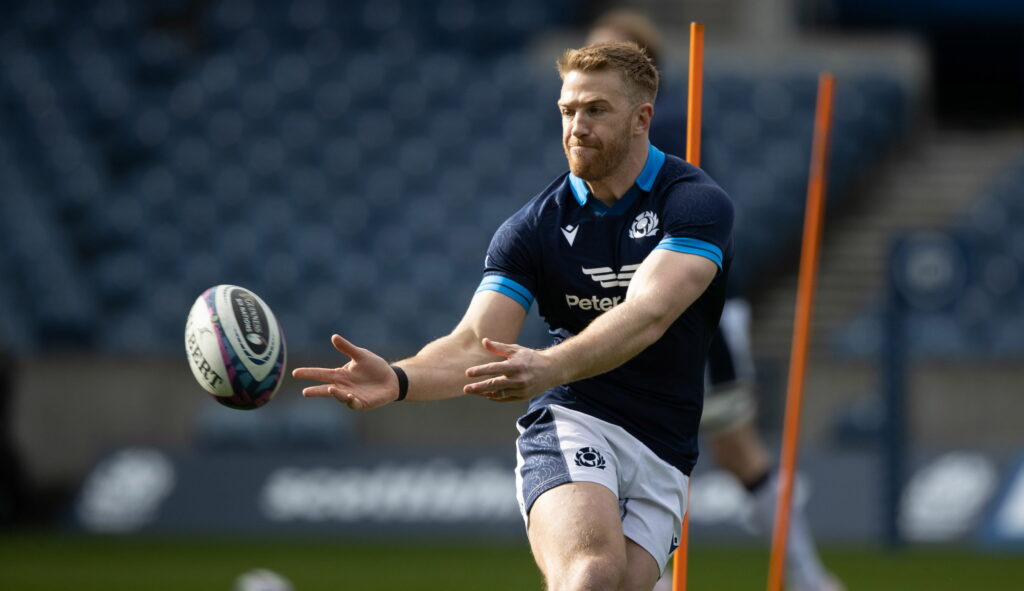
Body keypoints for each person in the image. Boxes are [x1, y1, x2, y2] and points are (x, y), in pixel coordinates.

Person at [294, 41, 733, 591]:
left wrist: (547, 364)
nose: (577, 127)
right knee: (592, 572)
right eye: (568, 111)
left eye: (596, 110)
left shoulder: (695, 204)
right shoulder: (532, 228)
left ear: (642, 118)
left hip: (666, 447)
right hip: (576, 418)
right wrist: (401, 378)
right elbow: (475, 342)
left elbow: (648, 314)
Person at [587, 11, 844, 591]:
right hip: (643, 309)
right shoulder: (601, 136)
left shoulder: (666, 127)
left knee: (722, 445)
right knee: (648, 443)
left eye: (609, 55)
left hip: (694, 310)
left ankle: (806, 575)